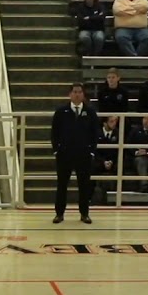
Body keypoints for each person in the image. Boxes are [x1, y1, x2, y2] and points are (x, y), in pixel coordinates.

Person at [51, 82, 98, 224]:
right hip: (64, 154)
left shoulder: (90, 112)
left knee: (84, 186)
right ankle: (59, 214)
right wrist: (56, 150)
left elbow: (95, 133)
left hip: (83, 155)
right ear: (70, 94)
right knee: (62, 185)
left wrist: (91, 151)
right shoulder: (61, 112)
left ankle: (84, 214)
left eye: (79, 92)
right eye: (75, 92)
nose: (77, 95)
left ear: (83, 94)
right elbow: (54, 132)